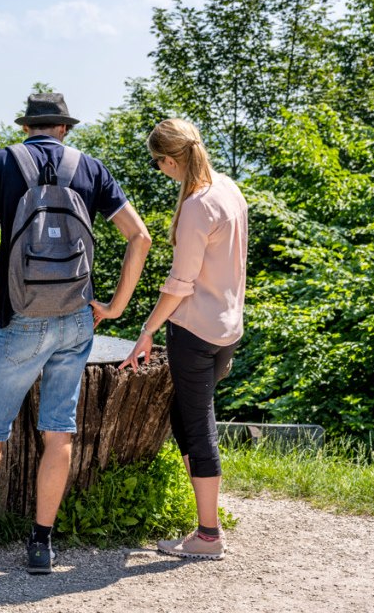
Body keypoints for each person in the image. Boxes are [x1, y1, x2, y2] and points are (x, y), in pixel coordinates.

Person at [0, 93, 151, 573]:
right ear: (63, 128)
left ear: (28, 126)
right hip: (78, 319)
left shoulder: (0, 163)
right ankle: (41, 544)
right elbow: (139, 237)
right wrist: (115, 307)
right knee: (59, 433)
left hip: (21, 319)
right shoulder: (90, 167)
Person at [118, 118, 248, 560]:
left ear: (171, 159)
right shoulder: (228, 188)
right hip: (227, 327)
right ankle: (204, 518)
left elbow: (180, 283)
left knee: (197, 425)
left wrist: (147, 331)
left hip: (194, 330)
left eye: (158, 164)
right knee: (185, 416)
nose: (161, 170)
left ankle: (208, 535)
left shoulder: (196, 206)